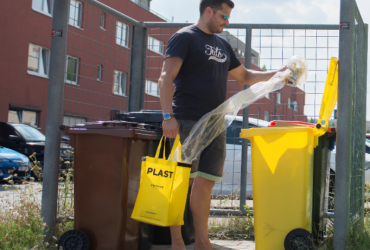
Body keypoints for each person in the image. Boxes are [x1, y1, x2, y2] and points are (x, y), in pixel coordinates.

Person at [158, 0, 287, 249]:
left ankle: (202, 242)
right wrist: (167, 116)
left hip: (215, 123)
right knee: (180, 182)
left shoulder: (223, 44)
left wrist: (279, 74)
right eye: (223, 16)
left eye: (228, 18)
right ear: (208, 11)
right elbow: (166, 77)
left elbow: (245, 76)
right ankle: (176, 242)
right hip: (186, 120)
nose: (226, 22)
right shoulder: (184, 37)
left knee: (205, 182)